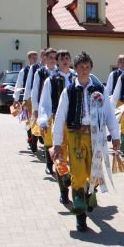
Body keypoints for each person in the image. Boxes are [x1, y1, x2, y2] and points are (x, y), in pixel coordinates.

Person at [52, 51, 120, 232]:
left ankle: (90, 194)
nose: (84, 70)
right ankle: (80, 217)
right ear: (75, 68)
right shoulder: (69, 91)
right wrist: (57, 142)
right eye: (81, 67)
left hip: (96, 137)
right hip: (75, 137)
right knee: (79, 176)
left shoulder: (99, 90)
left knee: (95, 174)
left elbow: (109, 114)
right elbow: (60, 117)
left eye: (87, 67)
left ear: (91, 68)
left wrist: (115, 135)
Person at [38, 51, 75, 200]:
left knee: (76, 158)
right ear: (57, 62)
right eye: (62, 59)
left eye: (67, 58)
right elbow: (45, 103)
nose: (65, 61)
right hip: (58, 122)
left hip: (74, 123)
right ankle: (63, 191)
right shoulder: (51, 80)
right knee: (60, 158)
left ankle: (78, 188)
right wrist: (43, 121)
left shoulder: (76, 78)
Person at [31, 48, 58, 173]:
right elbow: (35, 91)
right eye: (50, 57)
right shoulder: (40, 72)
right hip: (46, 109)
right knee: (48, 138)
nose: (53, 60)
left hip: (58, 110)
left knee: (58, 138)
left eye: (54, 57)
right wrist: (36, 109)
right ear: (45, 59)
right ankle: (49, 164)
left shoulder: (60, 73)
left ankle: (59, 163)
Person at [13, 50, 38, 148]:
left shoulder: (40, 69)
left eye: (36, 57)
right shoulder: (24, 71)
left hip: (37, 99)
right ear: (29, 59)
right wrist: (16, 98)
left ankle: (36, 140)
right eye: (33, 57)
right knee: (28, 120)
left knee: (36, 120)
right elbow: (18, 84)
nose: (35, 59)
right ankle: (30, 140)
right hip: (27, 99)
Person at [22, 49, 46, 153]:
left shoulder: (54, 69)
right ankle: (33, 141)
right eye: (45, 55)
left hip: (46, 100)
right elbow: (28, 85)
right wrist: (25, 99)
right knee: (33, 121)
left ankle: (42, 140)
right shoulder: (34, 68)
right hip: (34, 98)